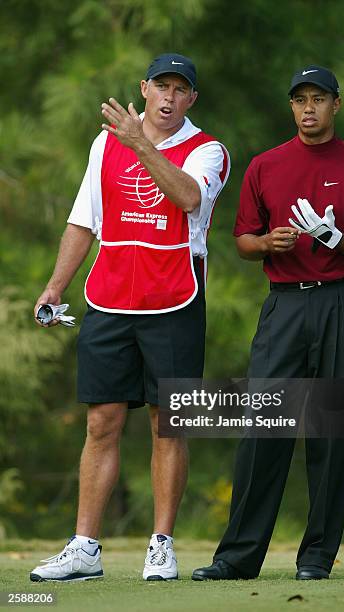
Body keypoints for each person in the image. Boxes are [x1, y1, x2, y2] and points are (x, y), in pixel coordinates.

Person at [30, 53, 230, 582]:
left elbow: (188, 197)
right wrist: (54, 288)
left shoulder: (207, 150)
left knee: (167, 424)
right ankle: (84, 548)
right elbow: (83, 221)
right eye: (160, 86)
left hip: (175, 301)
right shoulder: (104, 142)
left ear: (191, 99)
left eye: (179, 89)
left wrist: (140, 143)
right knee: (101, 423)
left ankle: (160, 546)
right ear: (144, 89)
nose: (168, 97)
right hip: (109, 299)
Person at [192, 64, 344, 582]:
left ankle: (317, 558)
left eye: (319, 99)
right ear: (292, 107)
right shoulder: (265, 165)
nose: (309, 108)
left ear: (336, 105)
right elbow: (242, 242)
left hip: (342, 306)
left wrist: (337, 239)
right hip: (284, 305)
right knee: (263, 428)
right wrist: (267, 244)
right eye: (300, 99)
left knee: (332, 431)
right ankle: (237, 558)